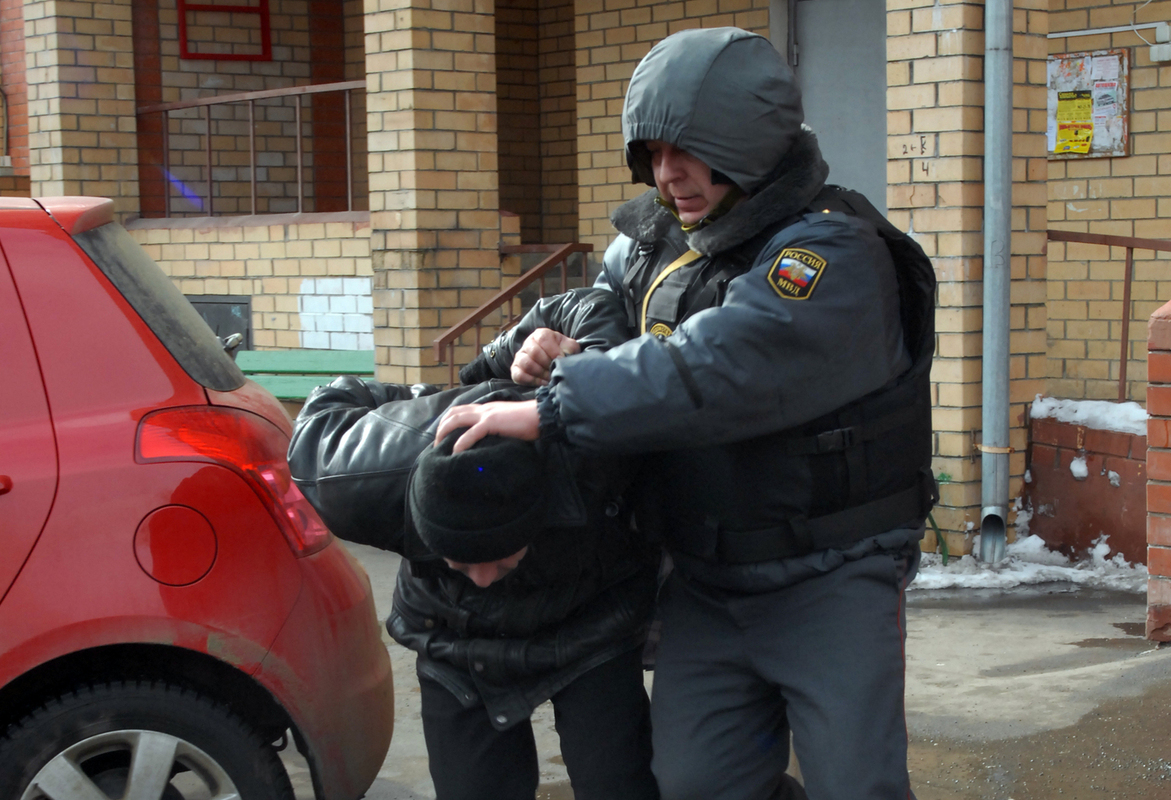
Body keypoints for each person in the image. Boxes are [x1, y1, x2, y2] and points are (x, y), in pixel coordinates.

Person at [435, 27, 937, 800]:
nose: (669, 175)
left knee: (855, 784)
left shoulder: (833, 254)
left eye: (690, 152)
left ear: (749, 144)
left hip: (831, 577)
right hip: (706, 581)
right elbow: (600, 313)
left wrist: (556, 405)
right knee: (697, 784)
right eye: (654, 154)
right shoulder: (656, 246)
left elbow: (723, 364)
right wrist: (547, 346)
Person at [287, 289, 661, 800]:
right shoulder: (356, 479)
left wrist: (516, 354)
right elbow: (322, 408)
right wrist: (438, 395)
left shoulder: (591, 451)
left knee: (620, 786)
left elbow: (595, 307)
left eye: (502, 561)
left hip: (589, 620)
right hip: (454, 640)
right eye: (460, 562)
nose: (483, 579)